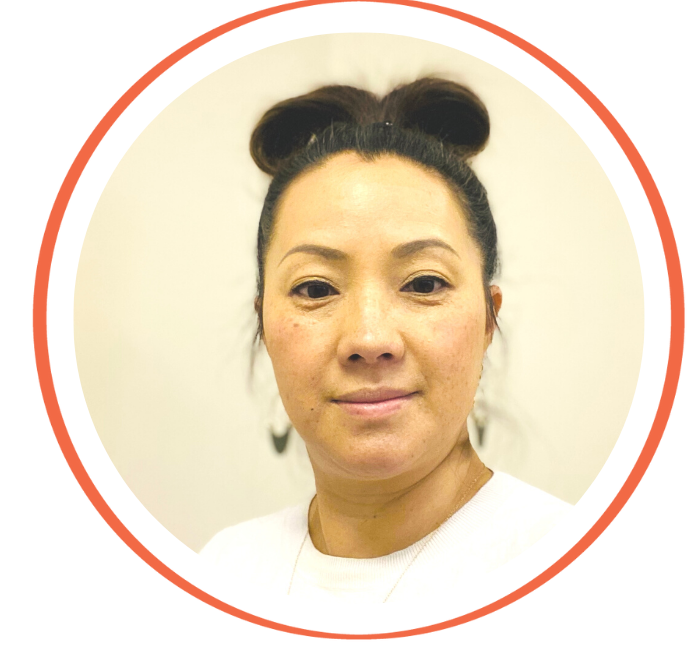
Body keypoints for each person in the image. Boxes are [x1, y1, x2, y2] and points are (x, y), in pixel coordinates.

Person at [201, 78, 570, 603]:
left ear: (489, 319)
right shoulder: (225, 569)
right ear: (264, 324)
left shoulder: (572, 566)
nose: (369, 338)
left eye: (425, 284)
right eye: (315, 289)